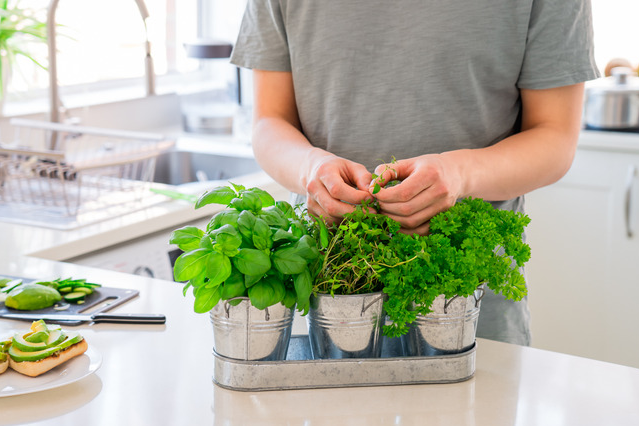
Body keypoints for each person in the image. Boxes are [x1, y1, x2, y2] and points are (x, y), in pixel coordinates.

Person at [230, 0, 599, 345]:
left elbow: (555, 136)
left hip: (466, 306)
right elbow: (269, 120)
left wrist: (461, 174)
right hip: (323, 292)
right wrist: (310, 167)